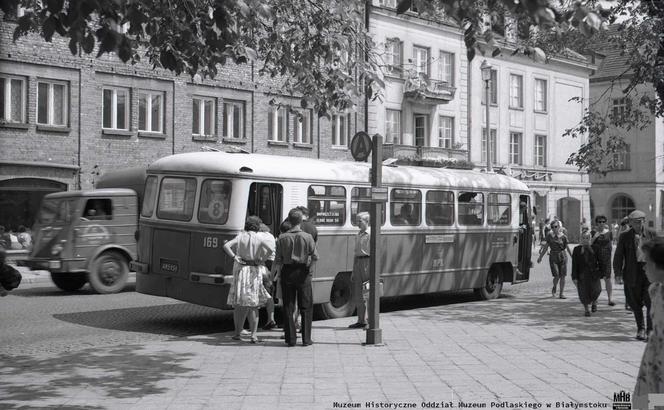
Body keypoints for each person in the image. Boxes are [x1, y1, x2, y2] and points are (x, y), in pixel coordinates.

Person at [223, 216, 273, 343]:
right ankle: (253, 335)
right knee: (253, 305)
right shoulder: (259, 238)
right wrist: (262, 259)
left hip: (241, 271)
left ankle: (237, 333)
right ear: (257, 227)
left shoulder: (240, 237)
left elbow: (226, 246)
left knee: (239, 304)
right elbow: (270, 250)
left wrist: (235, 257)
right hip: (253, 271)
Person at [273, 209, 318, 347]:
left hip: (287, 272)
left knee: (288, 305)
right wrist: (310, 268)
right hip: (303, 272)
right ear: (300, 221)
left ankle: (291, 339)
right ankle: (306, 339)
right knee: (306, 306)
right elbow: (315, 256)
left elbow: (278, 259)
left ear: (289, 220)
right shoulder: (307, 237)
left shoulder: (282, 238)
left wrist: (277, 274)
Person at [613, 210, 657, 341]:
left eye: (640, 221)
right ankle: (640, 328)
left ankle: (649, 330)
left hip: (649, 271)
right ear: (630, 223)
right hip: (632, 271)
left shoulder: (652, 234)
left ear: (644, 220)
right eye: (635, 222)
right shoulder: (625, 236)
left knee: (650, 301)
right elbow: (619, 256)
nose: (638, 224)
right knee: (635, 302)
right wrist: (618, 274)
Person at [633, 237, 664, 409]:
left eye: (647, 263)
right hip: (653, 359)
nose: (643, 268)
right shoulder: (655, 290)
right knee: (643, 403)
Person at [537, 220, 573, 299]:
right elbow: (546, 247)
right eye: (552, 227)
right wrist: (540, 257)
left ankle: (561, 293)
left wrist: (572, 256)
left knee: (563, 275)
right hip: (553, 256)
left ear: (559, 227)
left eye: (556, 227)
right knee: (556, 275)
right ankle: (554, 286)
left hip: (562, 255)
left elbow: (567, 247)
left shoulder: (563, 236)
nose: (554, 228)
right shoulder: (549, 236)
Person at [572, 231, 602, 316]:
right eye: (583, 238)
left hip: (594, 274)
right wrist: (574, 277)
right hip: (582, 275)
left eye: (587, 238)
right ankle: (586, 310)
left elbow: (600, 261)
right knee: (583, 292)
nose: (585, 240)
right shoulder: (577, 249)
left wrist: (601, 272)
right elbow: (574, 264)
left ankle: (594, 302)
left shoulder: (595, 248)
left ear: (590, 239)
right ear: (581, 239)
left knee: (597, 290)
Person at [348, 212, 370, 329]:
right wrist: (353, 270)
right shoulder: (358, 234)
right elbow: (355, 253)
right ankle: (361, 320)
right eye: (357, 221)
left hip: (368, 262)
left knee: (368, 293)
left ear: (367, 222)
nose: (357, 223)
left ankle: (369, 321)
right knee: (358, 294)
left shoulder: (370, 234)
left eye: (360, 221)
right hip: (358, 263)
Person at [591, 215, 615, 306]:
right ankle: (595, 300)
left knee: (608, 279)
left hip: (606, 259)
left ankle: (610, 299)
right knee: (596, 280)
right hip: (596, 259)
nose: (601, 223)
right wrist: (595, 236)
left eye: (603, 221)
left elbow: (611, 245)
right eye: (599, 222)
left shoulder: (609, 233)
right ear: (596, 223)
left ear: (605, 223)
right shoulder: (593, 232)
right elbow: (589, 244)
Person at [258, 223, 278, 331]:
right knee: (269, 292)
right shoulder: (270, 235)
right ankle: (271, 319)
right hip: (272, 264)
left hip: (265, 264)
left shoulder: (259, 236)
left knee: (262, 292)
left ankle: (269, 320)